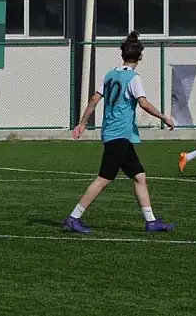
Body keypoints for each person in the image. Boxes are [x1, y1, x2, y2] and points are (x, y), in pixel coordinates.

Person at [63, 32, 175, 234]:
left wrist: (82, 123)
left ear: (122, 55)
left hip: (116, 135)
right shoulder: (133, 78)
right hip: (119, 136)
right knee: (103, 179)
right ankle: (73, 217)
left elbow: (94, 100)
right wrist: (164, 117)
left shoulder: (110, 74)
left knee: (139, 176)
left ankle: (151, 221)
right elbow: (143, 103)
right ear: (140, 57)